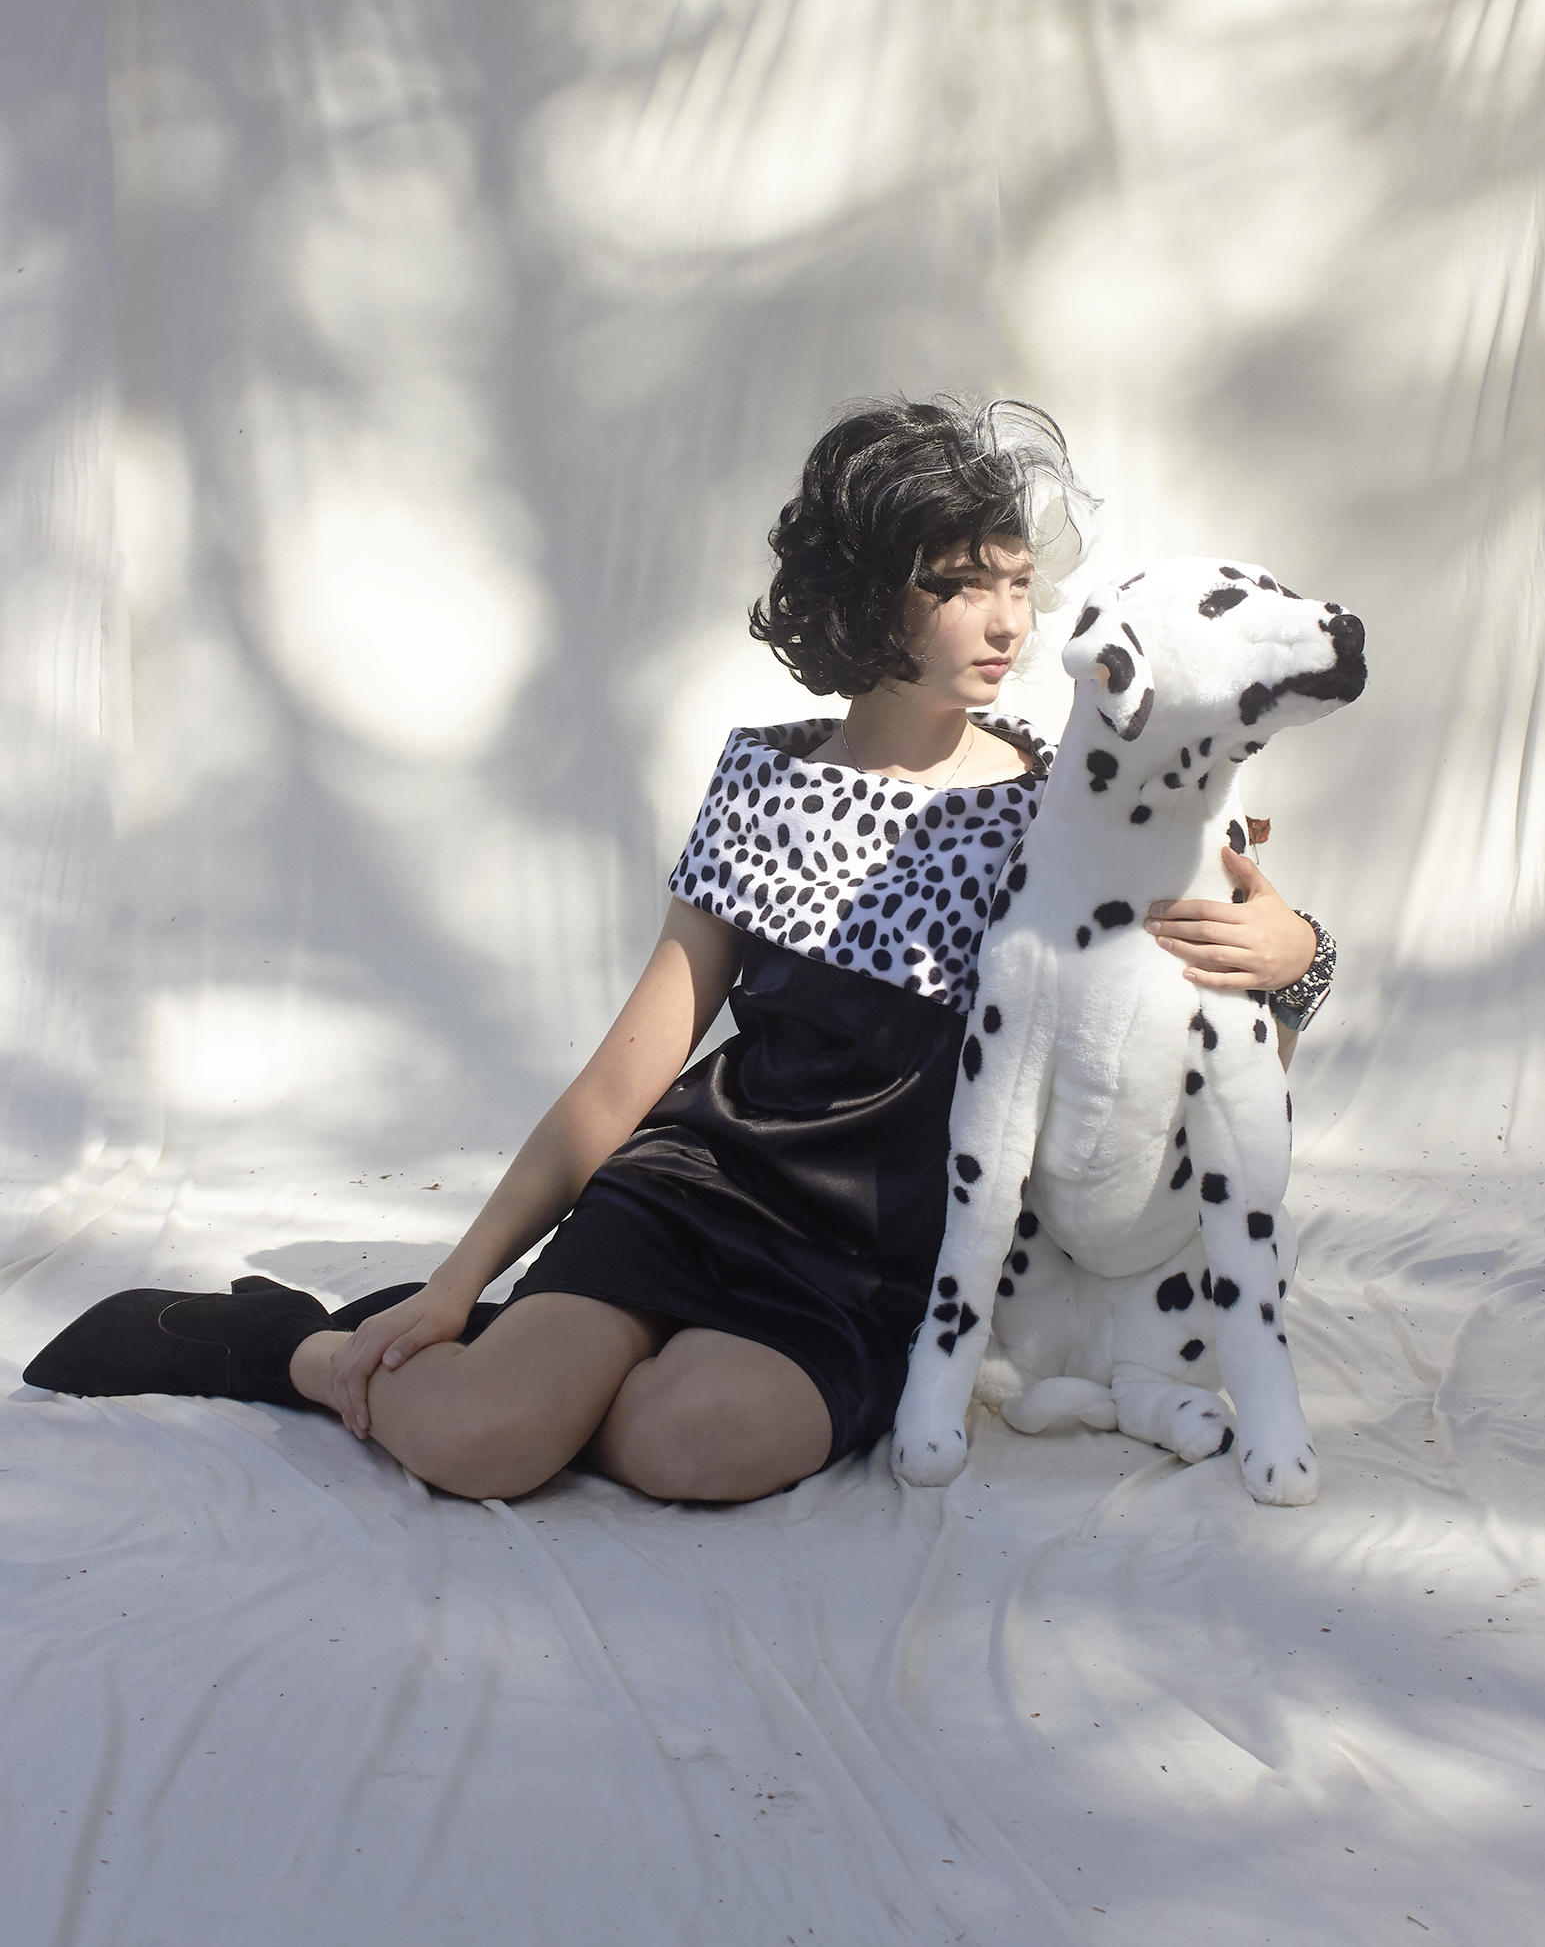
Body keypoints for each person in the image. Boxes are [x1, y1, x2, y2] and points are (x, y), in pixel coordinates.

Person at [25, 398, 1331, 1506]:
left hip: (878, 1259)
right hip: (693, 1192)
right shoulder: (763, 784)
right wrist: (451, 1287)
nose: (1003, 621)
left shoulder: (1073, 813)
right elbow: (625, 1073)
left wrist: (1296, 951)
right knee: (487, 1445)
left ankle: (540, 1367)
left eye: (1012, 581)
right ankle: (300, 1347)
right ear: (865, 599)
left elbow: (1203, 1024)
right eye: (954, 584)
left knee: (683, 1448)